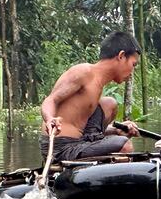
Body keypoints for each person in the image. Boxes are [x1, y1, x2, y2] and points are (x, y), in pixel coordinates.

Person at [39, 31, 141, 162]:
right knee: (124, 145)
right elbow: (51, 100)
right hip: (61, 147)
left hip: (80, 141)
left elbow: (80, 125)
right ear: (121, 56)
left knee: (110, 104)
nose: (132, 72)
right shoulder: (84, 72)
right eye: (133, 64)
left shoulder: (98, 85)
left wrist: (116, 130)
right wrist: (50, 119)